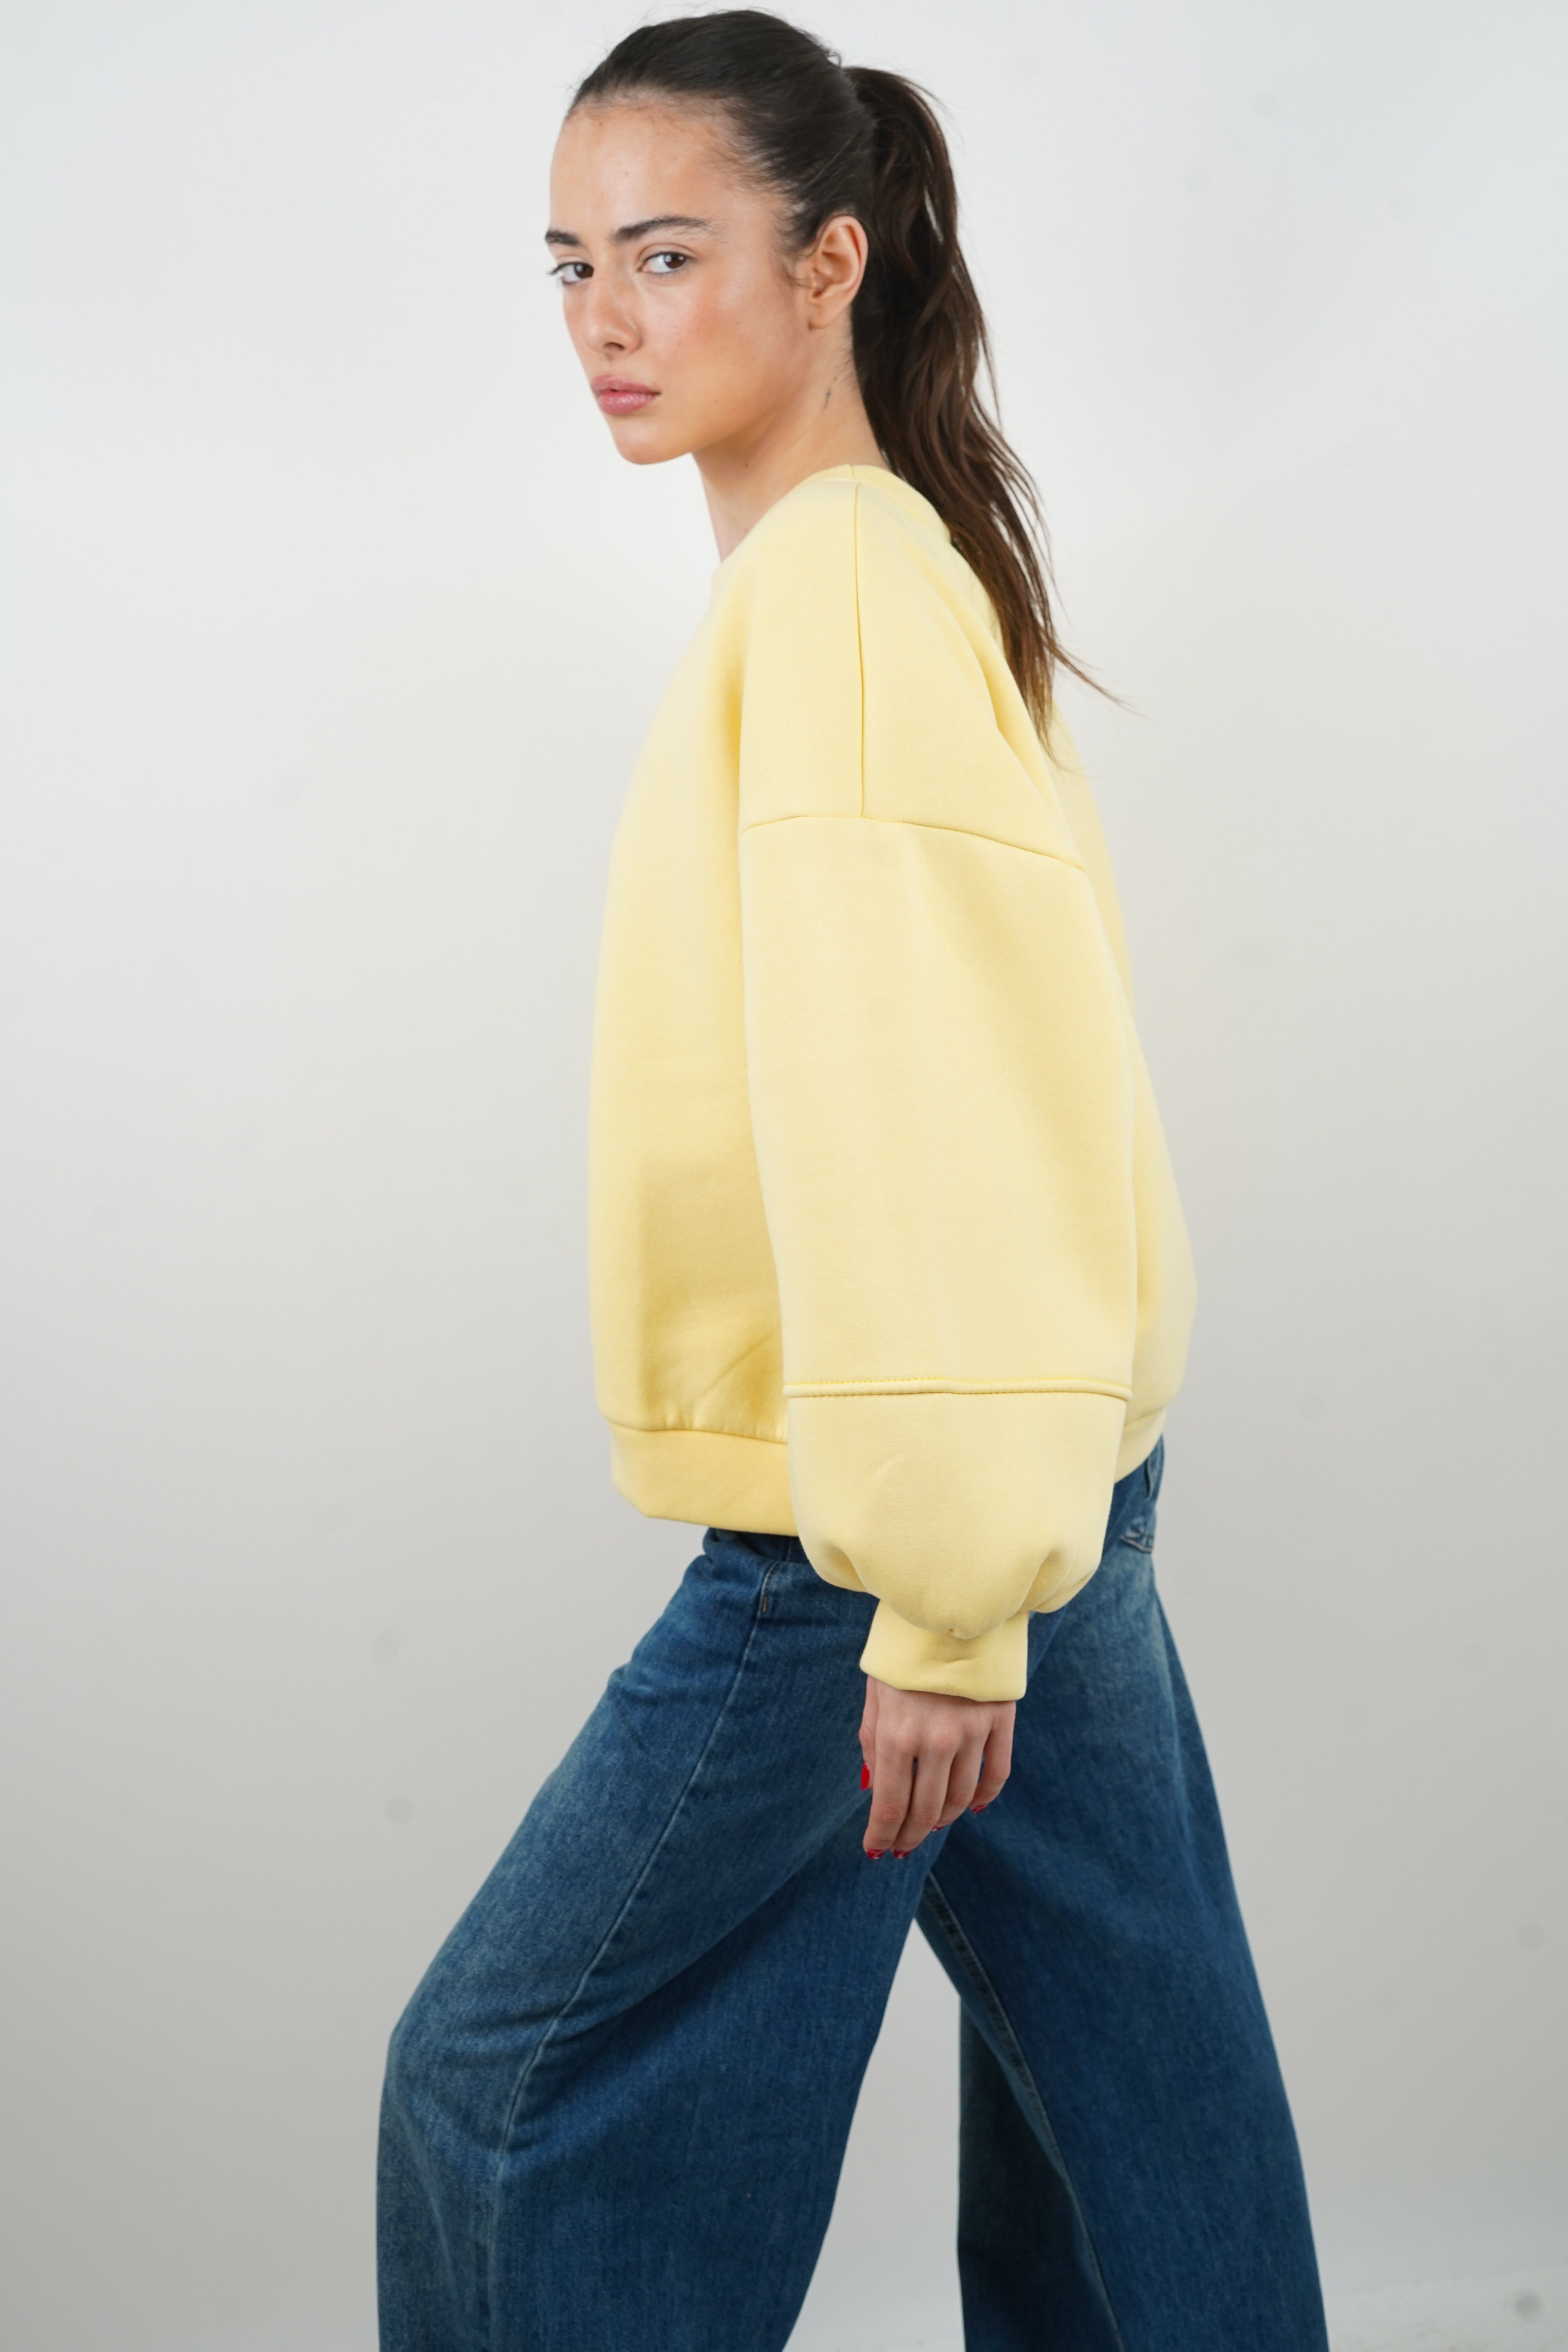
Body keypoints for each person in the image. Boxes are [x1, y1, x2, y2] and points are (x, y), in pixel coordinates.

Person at [377, 13, 1330, 2348]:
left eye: (666, 254)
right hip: (1017, 1477)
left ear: (830, 264)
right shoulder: (874, 570)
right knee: (1132, 2102)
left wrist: (943, 1600)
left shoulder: (842, 590)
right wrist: (990, 1547)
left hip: (880, 1527)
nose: (605, 321)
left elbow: (938, 1104)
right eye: (572, 265)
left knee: (507, 2088)